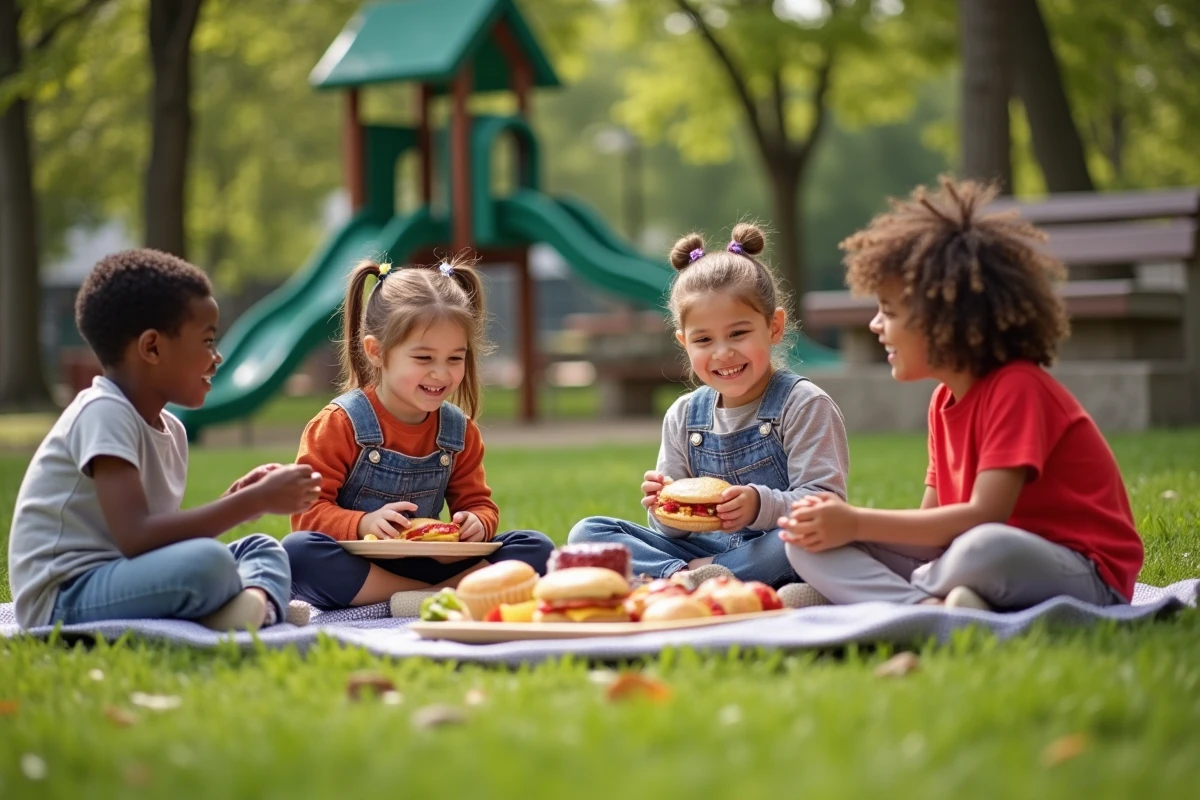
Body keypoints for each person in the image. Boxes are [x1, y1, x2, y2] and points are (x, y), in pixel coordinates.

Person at [779, 177, 1145, 611]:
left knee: (982, 548)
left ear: (944, 320)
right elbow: (930, 528)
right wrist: (839, 529)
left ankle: (888, 598)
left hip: (1085, 575)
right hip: (970, 561)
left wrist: (857, 522)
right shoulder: (942, 401)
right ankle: (925, 607)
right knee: (803, 545)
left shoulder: (1018, 388)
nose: (876, 324)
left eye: (890, 311)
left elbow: (983, 517)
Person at [8, 249, 318, 631]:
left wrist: (237, 501)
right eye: (207, 342)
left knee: (263, 547)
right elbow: (137, 537)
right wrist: (254, 500)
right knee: (209, 564)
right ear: (152, 347)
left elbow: (157, 539)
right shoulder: (103, 412)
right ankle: (230, 607)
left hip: (124, 575)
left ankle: (251, 607)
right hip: (64, 597)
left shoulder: (171, 429)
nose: (217, 357)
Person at [568, 223, 850, 599]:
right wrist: (662, 506)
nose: (722, 353)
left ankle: (694, 585)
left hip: (771, 548)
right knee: (587, 534)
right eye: (703, 339)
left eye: (738, 333)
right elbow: (672, 531)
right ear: (684, 343)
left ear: (775, 327)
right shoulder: (684, 415)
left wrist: (758, 505)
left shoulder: (803, 405)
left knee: (801, 541)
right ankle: (690, 577)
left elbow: (825, 505)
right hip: (700, 554)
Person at [283, 256, 554, 616]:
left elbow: (478, 504)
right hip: (361, 567)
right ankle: (434, 596)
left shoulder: (458, 432)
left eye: (455, 358)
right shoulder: (339, 423)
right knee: (297, 553)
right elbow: (307, 515)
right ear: (376, 352)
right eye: (424, 358)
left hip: (435, 563)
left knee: (536, 547)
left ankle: (416, 597)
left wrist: (477, 523)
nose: (441, 373)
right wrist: (362, 523)